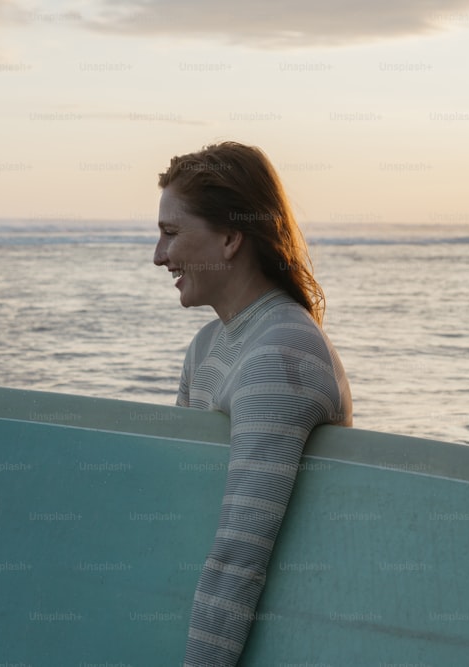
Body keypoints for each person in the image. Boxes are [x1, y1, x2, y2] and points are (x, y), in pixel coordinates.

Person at [153, 141, 353, 666]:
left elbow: (239, 556)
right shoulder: (204, 349)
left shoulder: (280, 355)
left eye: (171, 233)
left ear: (230, 237)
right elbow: (182, 508)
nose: (158, 256)